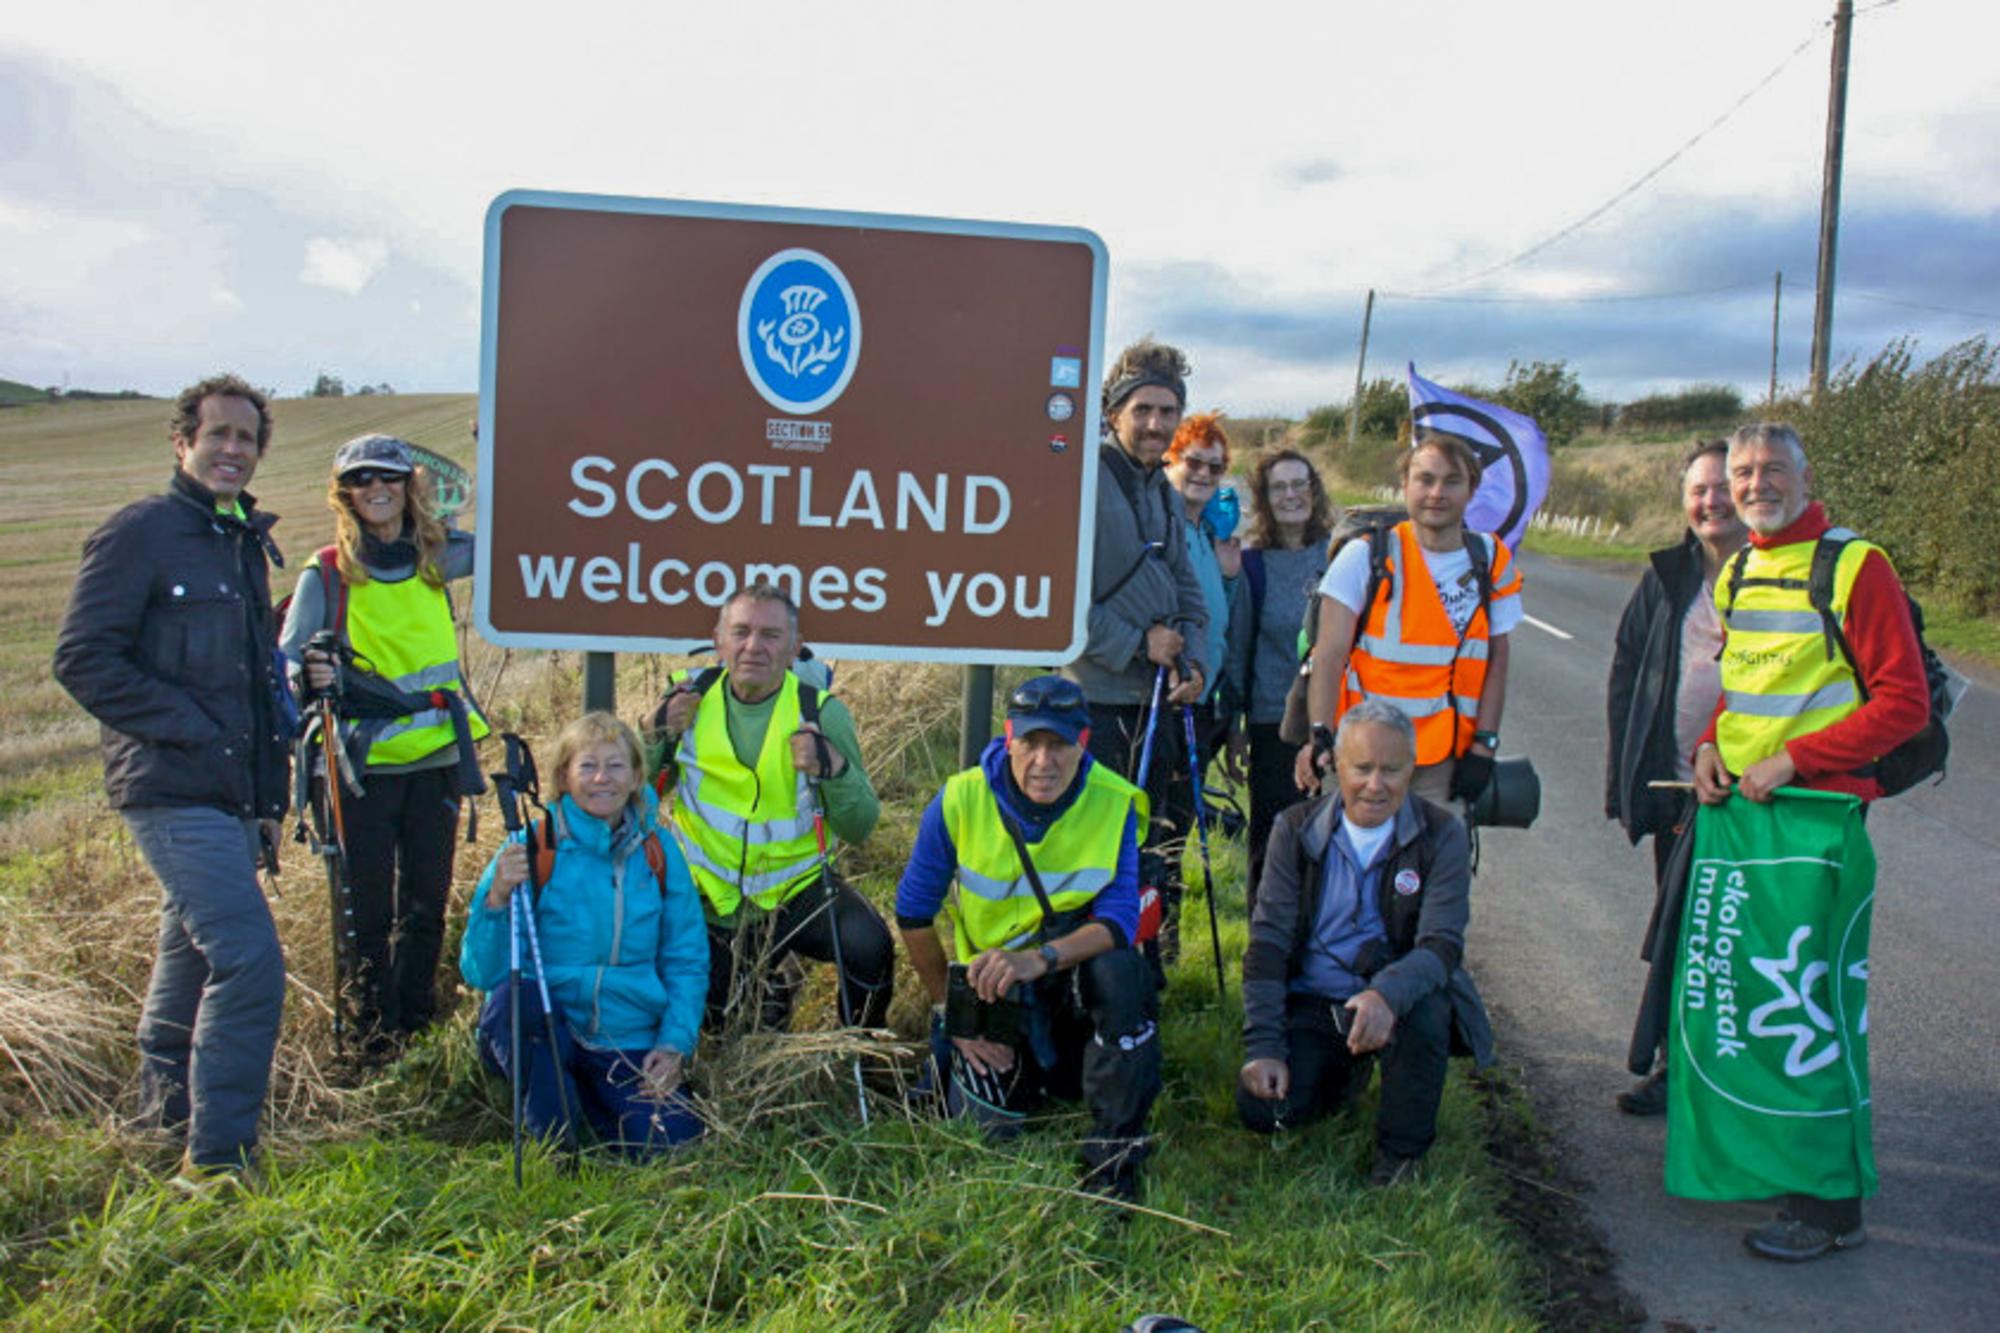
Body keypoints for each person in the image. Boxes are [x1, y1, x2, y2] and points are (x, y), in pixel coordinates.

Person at [1691, 423, 1928, 1262]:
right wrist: (1710, 747)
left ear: (1805, 475)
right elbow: (1745, 688)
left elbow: (1904, 703)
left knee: (1808, 1008)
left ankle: (1829, 1206)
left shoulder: (1857, 565)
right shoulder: (1739, 570)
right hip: (1748, 816)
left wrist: (1796, 759)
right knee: (1751, 1002)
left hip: (1819, 817)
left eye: (1772, 470)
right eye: (1742, 471)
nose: (1755, 484)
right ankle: (1781, 1164)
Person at [53, 374, 290, 1179]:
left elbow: (258, 685)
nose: (233, 448)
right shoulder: (141, 533)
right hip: (169, 784)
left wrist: (266, 797)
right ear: (183, 441)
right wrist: (191, 727)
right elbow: (83, 658)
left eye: (246, 438)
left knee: (188, 951)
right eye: (218, 433)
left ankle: (160, 1123)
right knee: (248, 959)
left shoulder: (241, 543)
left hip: (230, 793)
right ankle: (219, 1163)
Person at [894, 675, 1161, 1201]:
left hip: (1068, 979)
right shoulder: (961, 797)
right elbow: (912, 913)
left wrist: (1039, 959)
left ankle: (1114, 1153)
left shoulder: (1115, 801)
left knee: (1123, 974)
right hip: (991, 991)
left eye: (1059, 744)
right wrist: (953, 1014)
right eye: (1031, 743)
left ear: (1082, 742)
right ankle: (1027, 1073)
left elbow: (1118, 922)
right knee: (984, 1131)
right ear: (1009, 738)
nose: (1044, 761)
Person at [280, 434, 489, 1057]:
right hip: (359, 767)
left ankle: (415, 1031)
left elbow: (507, 542)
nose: (376, 488)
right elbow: (287, 662)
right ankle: (372, 1036)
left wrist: (496, 450)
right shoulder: (326, 572)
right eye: (361, 479)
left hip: (436, 760)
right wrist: (308, 672)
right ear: (344, 494)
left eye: (388, 477)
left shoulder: (435, 558)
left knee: (425, 906)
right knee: (365, 911)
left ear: (408, 485)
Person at [1237, 698, 1493, 1184]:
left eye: (1391, 770)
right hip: (1314, 997)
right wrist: (1263, 1045)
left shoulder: (1443, 835)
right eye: (1362, 768)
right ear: (1336, 766)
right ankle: (1341, 1076)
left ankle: (1401, 1155)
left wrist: (1385, 995)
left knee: (1428, 1011)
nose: (1376, 785)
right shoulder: (1293, 828)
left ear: (1411, 769)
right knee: (1263, 1111)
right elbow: (1268, 942)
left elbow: (1441, 946)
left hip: (1395, 999)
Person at [644, 584, 893, 1033]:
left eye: (771, 635)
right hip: (709, 898)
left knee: (868, 945)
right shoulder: (686, 701)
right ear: (719, 641)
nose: (753, 646)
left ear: (795, 647)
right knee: (720, 1026)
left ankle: (859, 1048)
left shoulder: (821, 713)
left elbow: (860, 827)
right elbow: (632, 796)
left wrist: (833, 768)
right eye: (741, 632)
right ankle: (768, 997)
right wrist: (652, 730)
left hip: (796, 891)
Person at [461, 713, 706, 1157]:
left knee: (673, 1144)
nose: (601, 778)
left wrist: (674, 1044)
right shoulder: (532, 844)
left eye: (615, 766)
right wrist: (496, 899)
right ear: (563, 778)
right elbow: (483, 973)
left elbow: (685, 958)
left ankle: (589, 1103)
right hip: (547, 1024)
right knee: (516, 1003)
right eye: (587, 766)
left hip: (626, 1035)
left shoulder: (659, 849)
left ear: (636, 777)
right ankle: (556, 1144)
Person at [1603, 439, 1747, 1115]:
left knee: (1743, 939)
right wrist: (1625, 780)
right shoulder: (1668, 576)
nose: (1711, 501)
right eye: (1698, 490)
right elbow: (1628, 669)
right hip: (1682, 793)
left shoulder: (1786, 573)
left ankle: (1743, 1073)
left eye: (1723, 487)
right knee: (1684, 933)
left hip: (1761, 793)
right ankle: (1676, 1067)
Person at [1067, 338, 1209, 961]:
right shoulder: (1081, 482)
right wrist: (1137, 643)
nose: (1155, 424)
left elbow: (1188, 591)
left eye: (1167, 411)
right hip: (1094, 701)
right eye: (1142, 409)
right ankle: (1089, 968)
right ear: (1113, 413)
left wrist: (1194, 660)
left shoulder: (1165, 493)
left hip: (1155, 703)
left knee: (1150, 847)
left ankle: (1141, 967)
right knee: (1093, 848)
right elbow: (1052, 598)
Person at [1293, 433, 1524, 809]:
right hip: (1362, 754)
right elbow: (1329, 654)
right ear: (1405, 485)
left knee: (1439, 848)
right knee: (1352, 848)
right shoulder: (1366, 556)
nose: (1436, 493)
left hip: (1443, 762)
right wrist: (1320, 734)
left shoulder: (1491, 561)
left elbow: (1497, 659)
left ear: (1472, 489)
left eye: (1452, 481)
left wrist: (1485, 745)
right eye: (1425, 479)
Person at [1228, 448, 1336, 910]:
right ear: (1264, 499)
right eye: (1278, 487)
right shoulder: (1253, 565)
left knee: (1329, 841)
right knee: (1273, 840)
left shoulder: (1341, 553)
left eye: (1299, 484)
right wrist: (1235, 729)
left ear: (1314, 491)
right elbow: (1239, 652)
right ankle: (1265, 937)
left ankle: (1320, 937)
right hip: (1274, 725)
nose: (1290, 495)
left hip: (1335, 721)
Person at [1162, 411, 1243, 760]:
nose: (1204, 474)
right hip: (1166, 697)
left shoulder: (1211, 535)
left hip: (1203, 699)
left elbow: (1219, 616)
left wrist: (1229, 578)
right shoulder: (1158, 526)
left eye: (1215, 467)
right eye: (1194, 462)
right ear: (1169, 460)